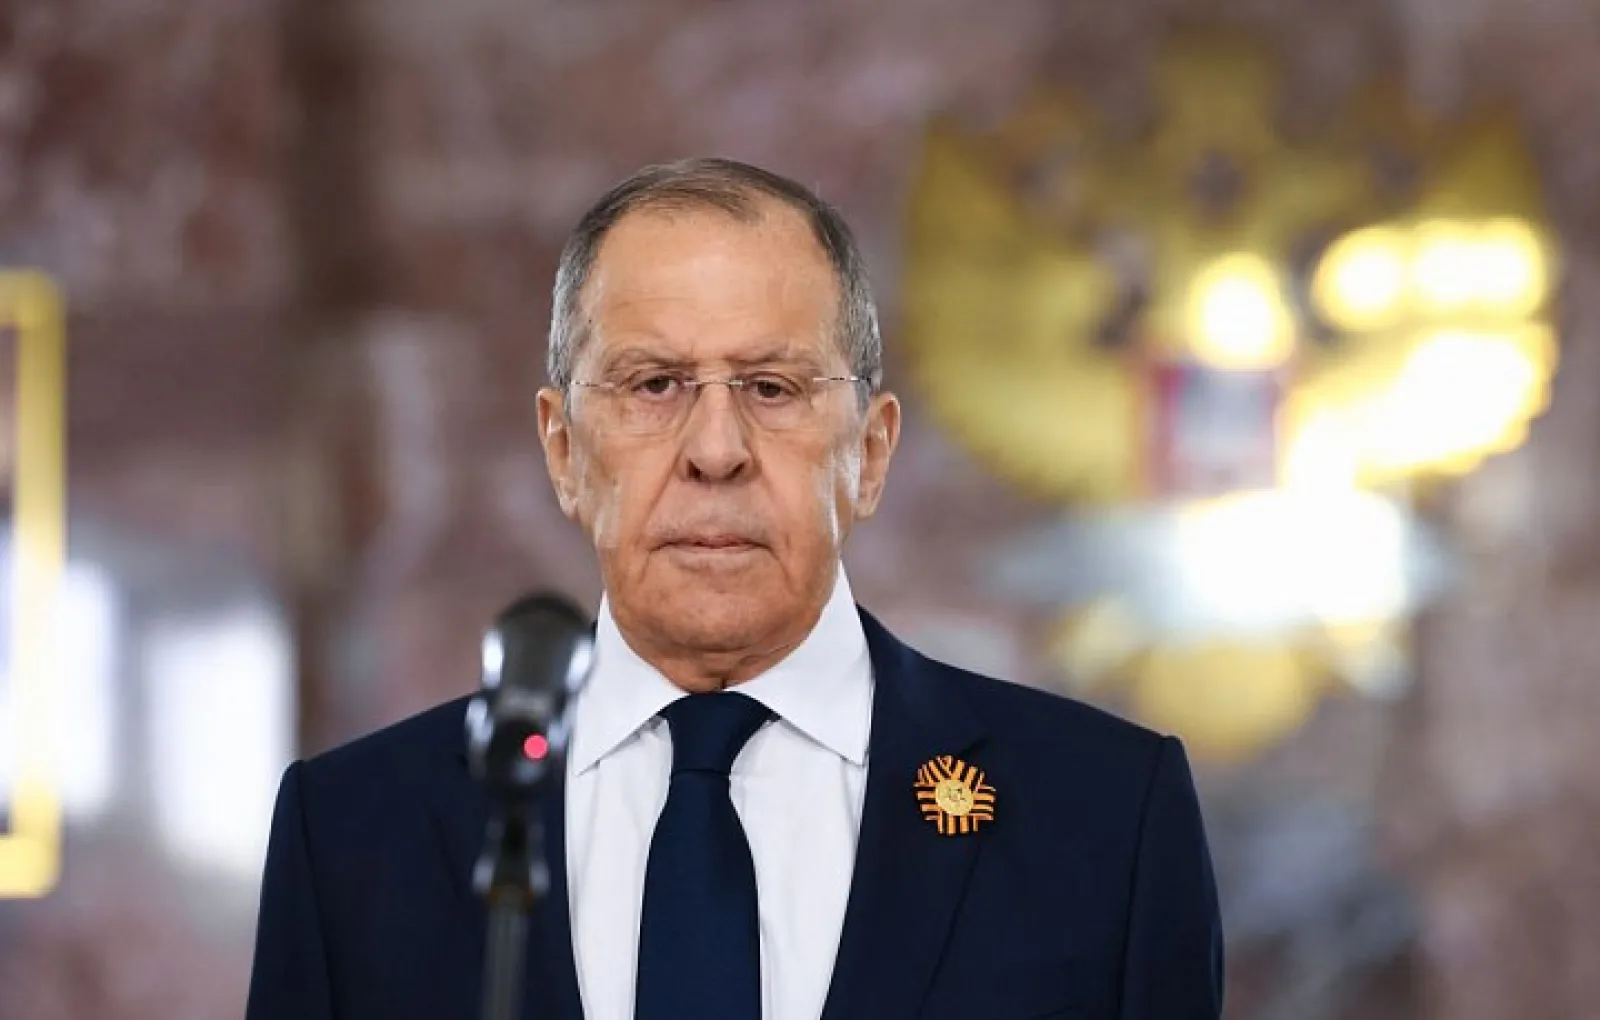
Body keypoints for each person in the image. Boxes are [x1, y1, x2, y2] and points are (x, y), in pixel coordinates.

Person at [246, 158, 1224, 1020]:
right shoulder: (354, 838)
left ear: (871, 451)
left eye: (771, 387)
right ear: (563, 450)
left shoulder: (1102, 817)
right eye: (653, 384)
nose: (716, 451)